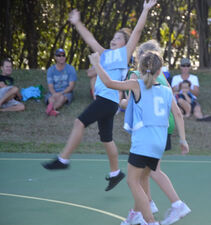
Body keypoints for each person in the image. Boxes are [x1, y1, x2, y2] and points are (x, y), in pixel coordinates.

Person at [42, 0, 157, 193]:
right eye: (113, 37)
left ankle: (63, 159)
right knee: (106, 139)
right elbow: (90, 39)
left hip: (107, 100)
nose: (114, 39)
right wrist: (77, 23)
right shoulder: (104, 54)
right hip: (107, 102)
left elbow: (137, 31)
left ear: (125, 43)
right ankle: (115, 173)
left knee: (79, 122)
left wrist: (145, 10)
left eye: (119, 37)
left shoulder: (124, 53)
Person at [89, 50, 189, 225]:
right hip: (159, 141)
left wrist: (97, 63)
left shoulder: (136, 85)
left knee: (132, 180)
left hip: (144, 141)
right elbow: (178, 114)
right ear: (160, 72)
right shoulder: (166, 90)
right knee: (143, 177)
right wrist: (183, 139)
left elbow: (109, 83)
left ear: (140, 70)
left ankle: (150, 220)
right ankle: (137, 213)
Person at [119, 40, 191, 225]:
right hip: (165, 125)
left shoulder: (135, 76)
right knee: (144, 173)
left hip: (151, 129)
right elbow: (172, 104)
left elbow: (130, 102)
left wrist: (121, 102)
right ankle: (139, 210)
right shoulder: (160, 77)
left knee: (150, 172)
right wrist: (182, 138)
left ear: (138, 59)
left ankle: (174, 204)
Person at [44, 48, 77, 116]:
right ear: (55, 57)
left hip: (66, 92)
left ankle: (51, 109)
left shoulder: (71, 69)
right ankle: (52, 110)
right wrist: (54, 93)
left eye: (63, 55)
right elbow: (50, 86)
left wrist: (60, 93)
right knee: (51, 98)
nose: (61, 57)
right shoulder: (51, 70)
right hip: (53, 92)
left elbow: (71, 86)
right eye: (59, 55)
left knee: (62, 98)